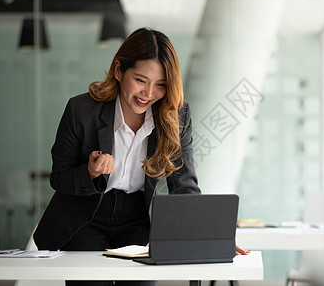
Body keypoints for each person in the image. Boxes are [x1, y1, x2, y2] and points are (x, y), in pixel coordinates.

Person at [33, 27, 249, 286]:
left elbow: (184, 185)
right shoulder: (81, 110)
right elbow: (59, 177)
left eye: (161, 85)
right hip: (85, 217)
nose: (149, 93)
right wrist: (89, 173)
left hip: (138, 219)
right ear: (118, 71)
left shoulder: (176, 115)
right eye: (141, 80)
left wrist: (208, 236)